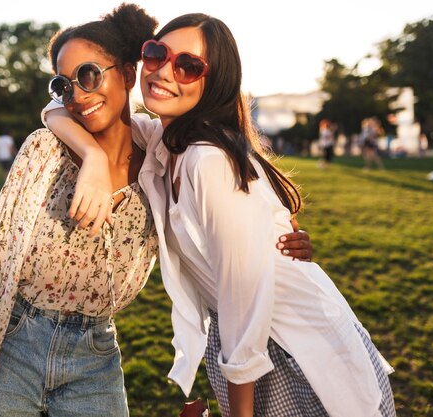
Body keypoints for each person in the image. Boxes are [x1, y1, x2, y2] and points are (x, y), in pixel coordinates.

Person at [45, 12, 395, 417]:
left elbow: (242, 297)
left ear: (215, 82)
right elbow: (57, 108)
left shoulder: (207, 160)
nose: (164, 73)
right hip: (253, 350)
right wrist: (90, 155)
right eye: (157, 54)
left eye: (189, 67)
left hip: (297, 353)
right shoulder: (164, 142)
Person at [0, 5, 160, 417]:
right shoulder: (44, 150)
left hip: (96, 358)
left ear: (128, 75)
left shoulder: (162, 159)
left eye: (90, 75)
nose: (77, 95)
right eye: (64, 84)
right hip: (16, 347)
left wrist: (283, 232)